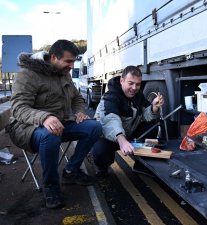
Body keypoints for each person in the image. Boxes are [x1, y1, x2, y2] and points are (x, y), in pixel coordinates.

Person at [6, 40, 102, 209]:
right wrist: (44, 117)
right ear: (53, 57)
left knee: (94, 127)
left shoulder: (64, 73)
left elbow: (77, 98)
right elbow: (18, 108)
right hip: (26, 128)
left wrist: (80, 111)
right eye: (68, 61)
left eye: (73, 61)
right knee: (50, 136)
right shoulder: (27, 74)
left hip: (60, 124)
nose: (72, 66)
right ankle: (51, 187)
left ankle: (71, 171)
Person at [92, 65, 164, 177]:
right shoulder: (110, 97)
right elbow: (111, 120)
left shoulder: (138, 96)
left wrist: (154, 108)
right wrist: (122, 140)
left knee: (152, 125)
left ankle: (141, 164)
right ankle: (102, 167)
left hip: (129, 134)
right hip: (109, 138)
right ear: (122, 80)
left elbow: (146, 115)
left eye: (138, 84)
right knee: (101, 152)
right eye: (130, 83)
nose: (134, 88)